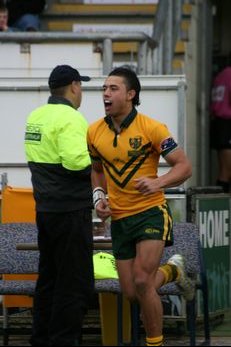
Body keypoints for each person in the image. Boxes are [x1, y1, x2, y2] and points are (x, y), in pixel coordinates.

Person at [87, 67, 194, 346]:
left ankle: (154, 343)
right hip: (120, 219)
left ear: (131, 94)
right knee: (132, 291)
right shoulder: (94, 131)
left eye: (113, 89)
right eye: (104, 89)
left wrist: (159, 183)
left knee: (143, 281)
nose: (106, 94)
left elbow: (184, 166)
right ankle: (174, 271)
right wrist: (99, 197)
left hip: (150, 212)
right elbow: (96, 170)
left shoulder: (152, 128)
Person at [24, 64, 95, 346]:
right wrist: (105, 167)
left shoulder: (36, 115)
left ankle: (40, 339)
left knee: (48, 280)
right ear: (75, 86)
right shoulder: (71, 118)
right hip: (71, 211)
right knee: (74, 283)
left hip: (45, 210)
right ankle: (64, 341)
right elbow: (77, 163)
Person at [210, 61, 231, 193]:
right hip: (227, 123)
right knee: (227, 170)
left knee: (224, 169)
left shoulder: (221, 75)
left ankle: (222, 203)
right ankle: (222, 203)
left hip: (219, 123)